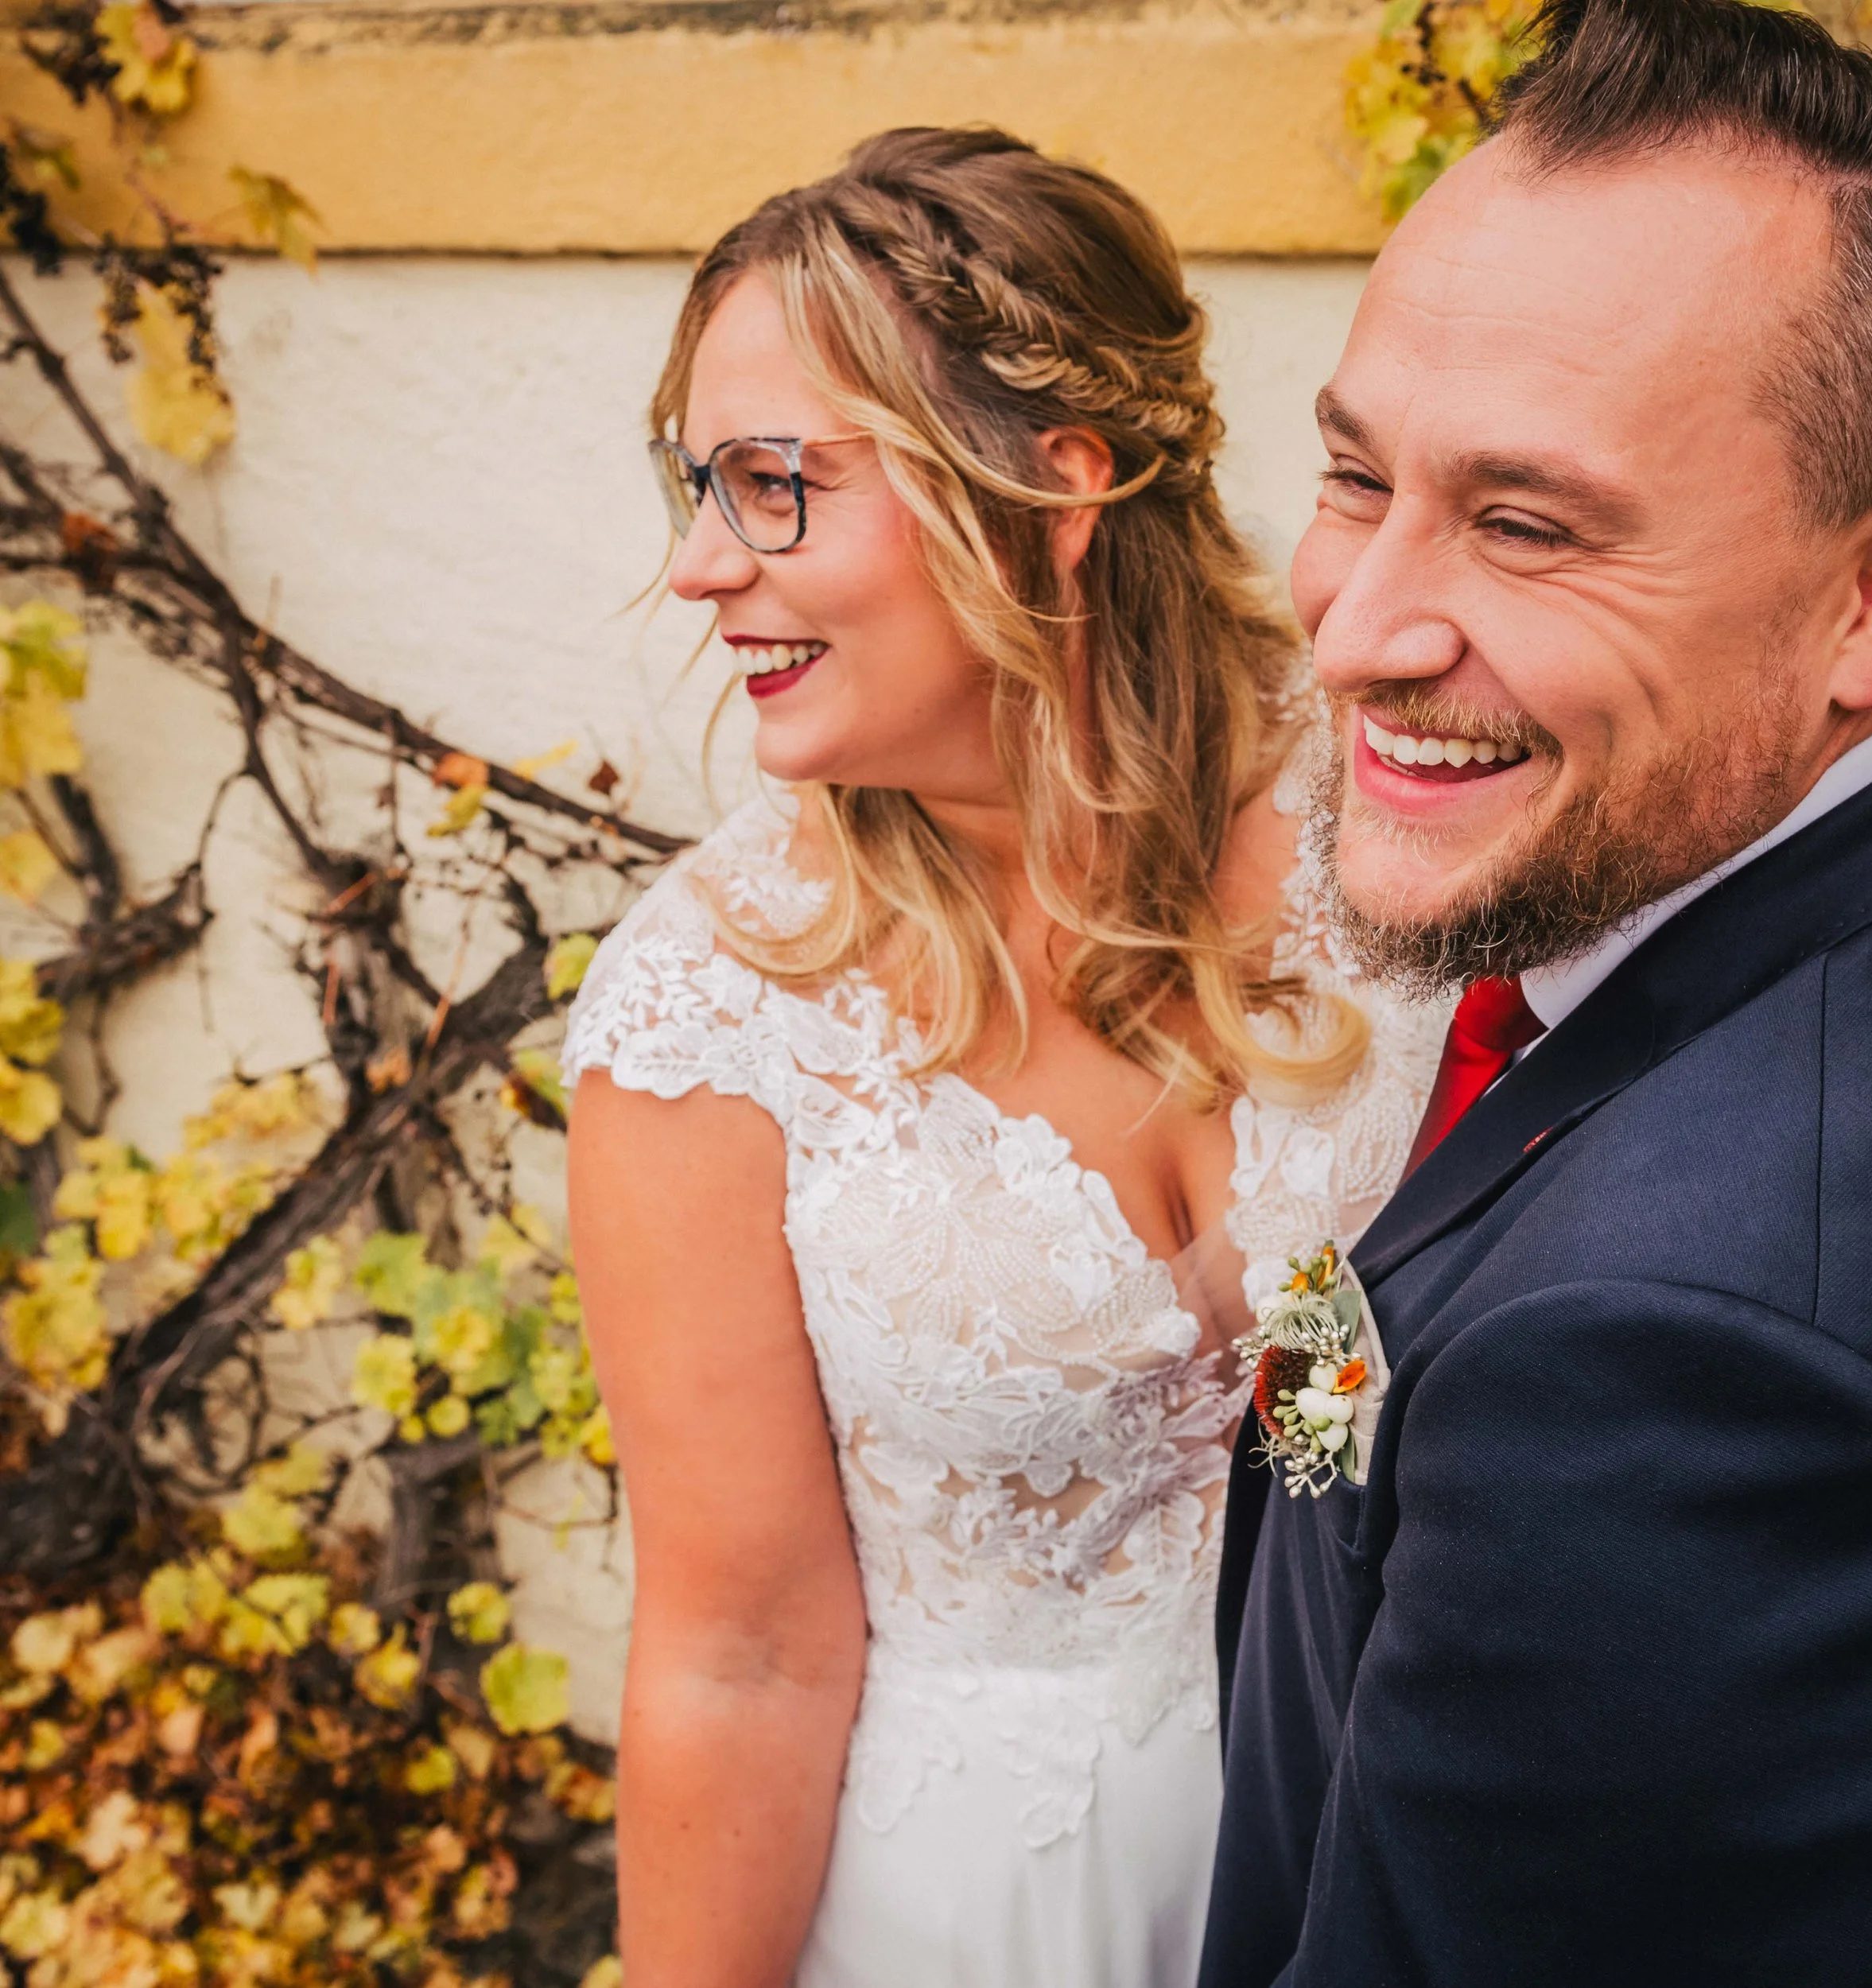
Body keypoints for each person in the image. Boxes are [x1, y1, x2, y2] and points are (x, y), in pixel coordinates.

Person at [561, 128, 1442, 1988]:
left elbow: (1363, 1399)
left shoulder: (1403, 803)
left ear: (1055, 484)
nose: (702, 566)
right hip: (996, 1902)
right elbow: (741, 1650)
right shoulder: (704, 1019)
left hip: (1409, 1826)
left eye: (773, 484)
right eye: (696, 487)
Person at [1201, 2, 1872, 1984]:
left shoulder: (1664, 1360)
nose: (1361, 628)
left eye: (1528, 524)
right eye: (1352, 476)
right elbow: (1376, 1317)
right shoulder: (1588, 886)